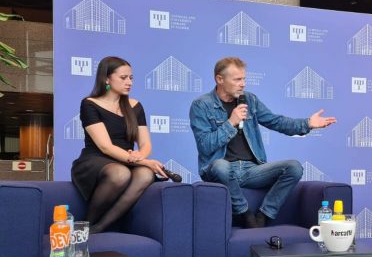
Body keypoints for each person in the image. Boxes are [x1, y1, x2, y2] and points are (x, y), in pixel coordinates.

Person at [189, 57, 336, 228]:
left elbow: (276, 122)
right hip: (220, 169)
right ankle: (245, 213)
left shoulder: (249, 100)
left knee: (294, 167)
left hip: (251, 170)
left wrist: (307, 123)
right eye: (237, 79)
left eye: (244, 79)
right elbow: (205, 146)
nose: (243, 84)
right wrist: (231, 122)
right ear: (219, 79)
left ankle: (264, 214)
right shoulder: (201, 105)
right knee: (221, 166)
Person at [71, 56, 168, 234]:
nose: (129, 82)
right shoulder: (90, 104)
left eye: (131, 77)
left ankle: (100, 227)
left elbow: (145, 143)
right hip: (96, 159)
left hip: (127, 159)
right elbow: (105, 146)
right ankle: (84, 226)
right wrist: (143, 161)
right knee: (120, 173)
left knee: (145, 175)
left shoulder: (135, 106)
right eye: (123, 78)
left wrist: (140, 155)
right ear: (107, 79)